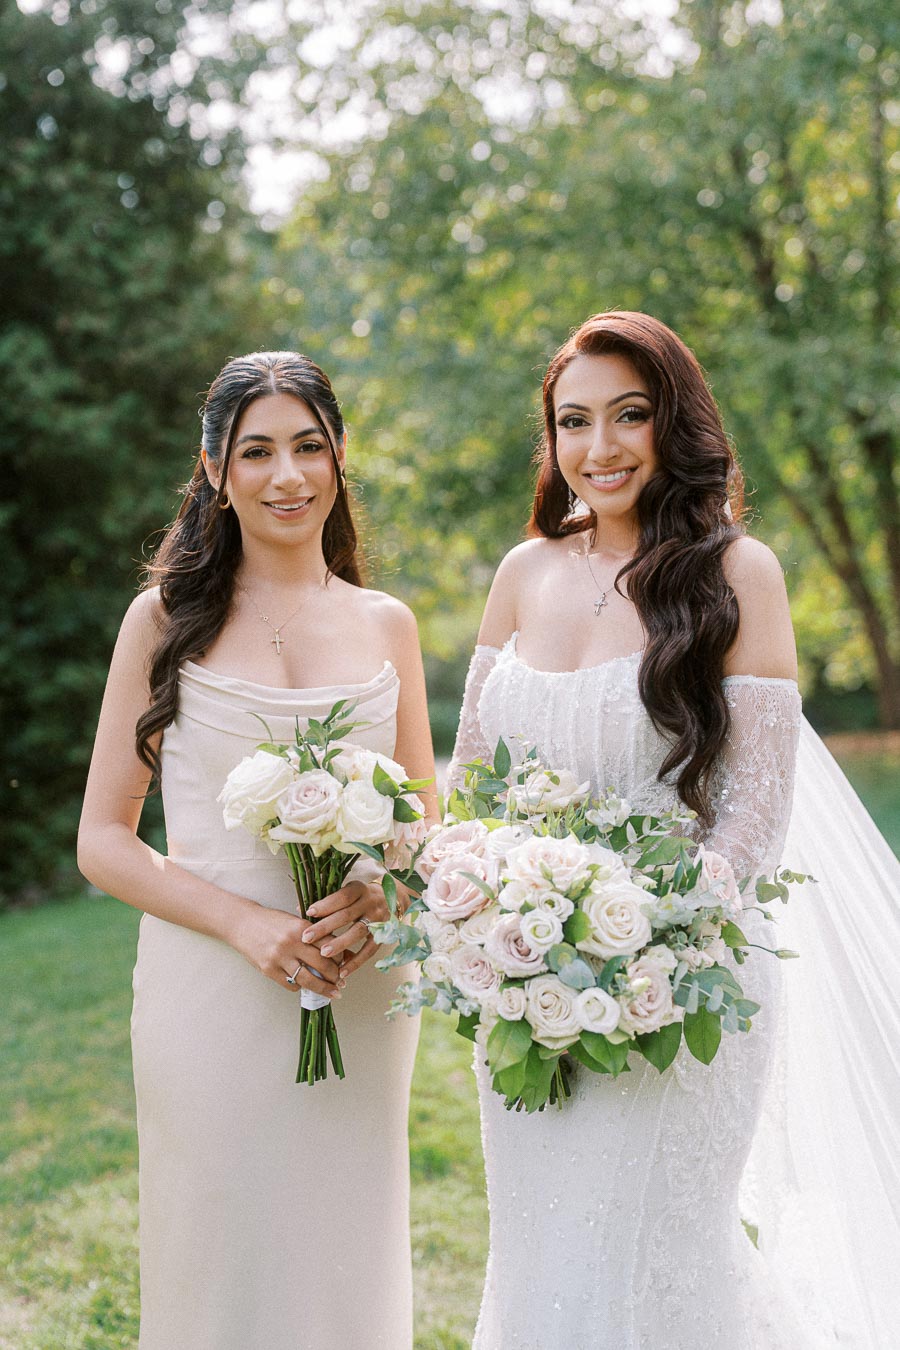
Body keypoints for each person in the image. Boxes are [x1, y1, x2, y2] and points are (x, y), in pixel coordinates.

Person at [448, 310, 900, 1348]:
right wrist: (484, 918)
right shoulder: (522, 573)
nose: (598, 448)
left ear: (674, 423)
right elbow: (473, 784)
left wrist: (658, 933)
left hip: (681, 986)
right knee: (544, 1261)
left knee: (651, 1259)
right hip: (525, 989)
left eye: (629, 416)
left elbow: (754, 807)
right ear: (550, 439)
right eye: (573, 421)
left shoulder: (740, 574)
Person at [77, 351, 436, 1350]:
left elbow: (422, 828)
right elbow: (103, 841)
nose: (288, 476)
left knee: (342, 1260)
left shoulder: (386, 624)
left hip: (355, 995)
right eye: (258, 452)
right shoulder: (161, 623)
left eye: (309, 447)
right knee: (218, 1255)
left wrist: (383, 900)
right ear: (215, 471)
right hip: (211, 992)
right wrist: (244, 924)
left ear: (340, 458)